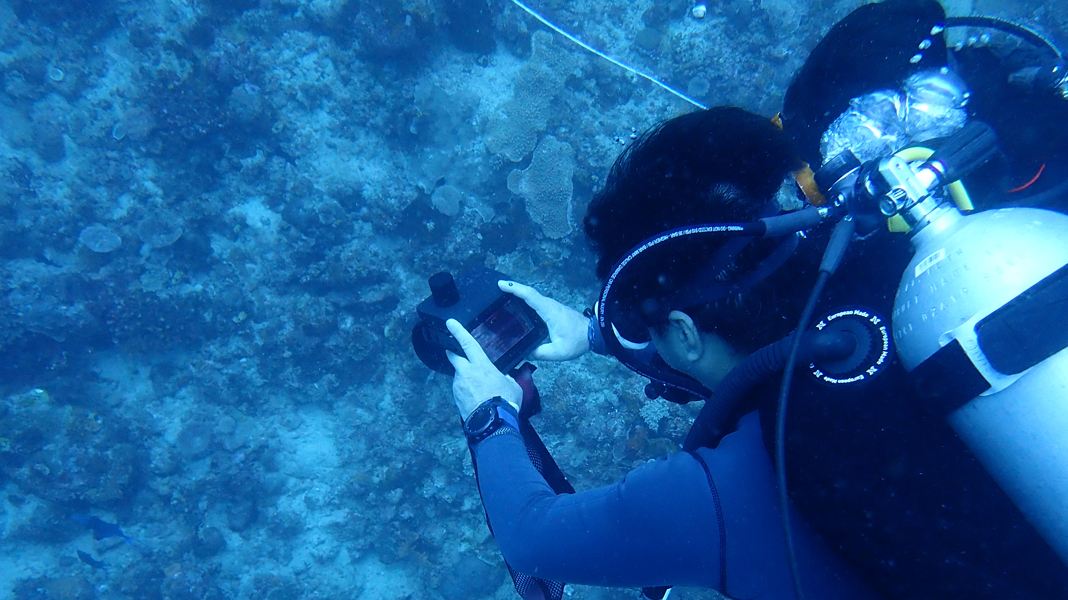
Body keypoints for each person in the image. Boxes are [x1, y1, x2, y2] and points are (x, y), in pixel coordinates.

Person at [445, 1, 1068, 598]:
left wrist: (489, 414)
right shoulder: (901, 265)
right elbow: (746, 338)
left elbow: (533, 539)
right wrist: (599, 333)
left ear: (684, 331)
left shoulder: (723, 493)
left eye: (651, 322)